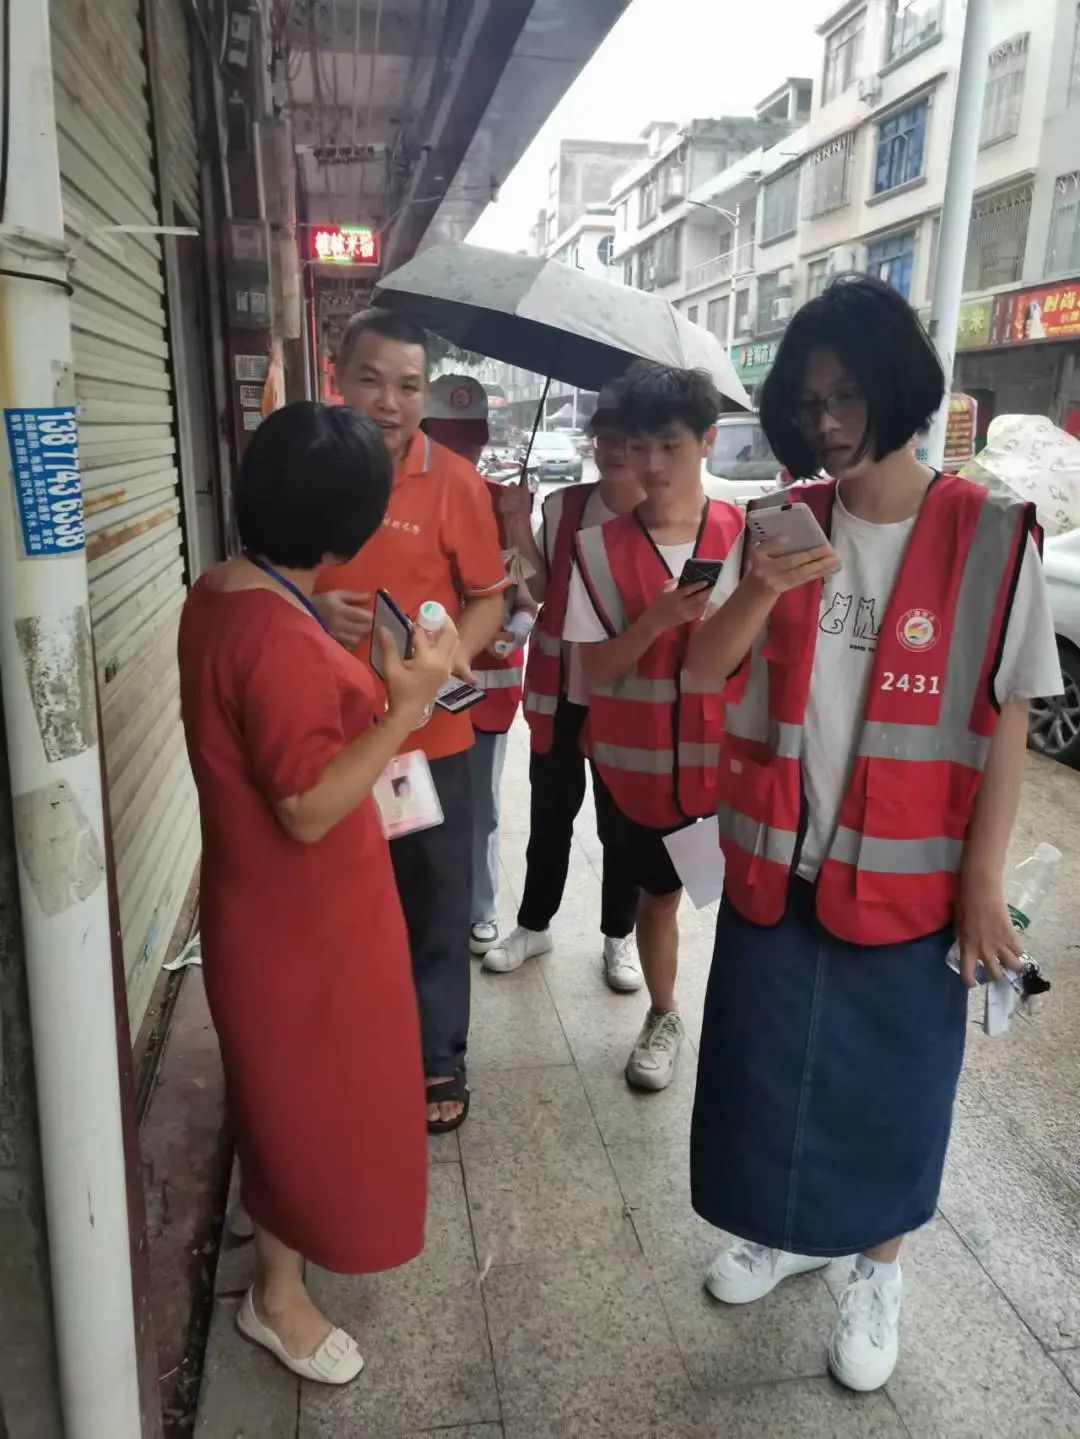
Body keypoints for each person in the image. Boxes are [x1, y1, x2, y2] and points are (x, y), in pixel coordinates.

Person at [687, 276, 1063, 1392]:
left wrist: (983, 882)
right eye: (809, 403)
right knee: (764, 1073)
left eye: (847, 395)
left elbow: (1007, 717)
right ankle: (784, 1231)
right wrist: (759, 587)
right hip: (779, 859)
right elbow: (704, 669)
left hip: (909, 880)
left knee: (891, 1089)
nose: (828, 421)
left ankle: (876, 1268)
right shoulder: (782, 522)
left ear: (899, 389)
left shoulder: (989, 536)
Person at [178, 403, 456, 1383]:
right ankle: (276, 1296)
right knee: (303, 1102)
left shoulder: (226, 589)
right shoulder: (278, 639)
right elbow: (304, 806)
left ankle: (279, 1254)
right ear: (350, 530)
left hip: (273, 906)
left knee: (283, 1097)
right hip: (301, 920)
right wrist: (408, 707)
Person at [315, 312, 508, 1133]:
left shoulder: (456, 482)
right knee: (339, 898)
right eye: (372, 379)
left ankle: (438, 1057)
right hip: (326, 735)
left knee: (433, 903)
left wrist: (451, 652)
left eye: (408, 385)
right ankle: (351, 1041)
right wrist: (312, 609)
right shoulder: (310, 467)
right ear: (338, 377)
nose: (389, 402)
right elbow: (267, 573)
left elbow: (491, 596)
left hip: (428, 740)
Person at [561, 362, 745, 1090]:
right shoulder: (597, 551)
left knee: (748, 901)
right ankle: (665, 1014)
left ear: (708, 441)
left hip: (733, 769)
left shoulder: (750, 537)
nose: (654, 464)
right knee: (660, 898)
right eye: (638, 446)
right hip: (636, 774)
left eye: (671, 444)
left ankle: (747, 1021)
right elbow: (595, 670)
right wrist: (656, 621)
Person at [495, 393, 644, 988]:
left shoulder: (660, 514)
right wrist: (515, 522)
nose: (616, 450)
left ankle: (619, 936)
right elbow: (533, 588)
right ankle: (534, 924)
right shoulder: (564, 507)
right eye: (606, 437)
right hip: (560, 687)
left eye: (629, 439)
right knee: (550, 815)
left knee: (621, 824)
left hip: (627, 694)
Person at [420, 373, 537, 961]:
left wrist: (516, 628)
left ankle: (481, 908)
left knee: (482, 809)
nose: (461, 454)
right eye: (447, 441)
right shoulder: (401, 501)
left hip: (486, 691)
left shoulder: (502, 503)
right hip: (419, 689)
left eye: (469, 442)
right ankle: (430, 910)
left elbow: (526, 597)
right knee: (418, 806)